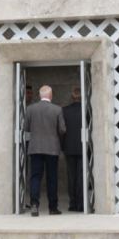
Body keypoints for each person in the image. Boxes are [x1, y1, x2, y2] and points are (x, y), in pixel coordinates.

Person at [24, 84, 65, 216]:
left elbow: (26, 128)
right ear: (50, 95)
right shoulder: (57, 109)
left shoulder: (30, 109)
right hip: (52, 148)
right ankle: (53, 208)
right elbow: (62, 129)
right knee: (52, 178)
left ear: (40, 95)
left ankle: (34, 205)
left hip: (35, 147)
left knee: (35, 177)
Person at [62, 86, 84, 212]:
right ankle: (81, 204)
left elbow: (62, 130)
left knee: (71, 177)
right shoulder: (86, 109)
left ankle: (73, 203)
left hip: (69, 148)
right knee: (81, 176)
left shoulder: (64, 110)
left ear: (72, 97)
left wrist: (62, 146)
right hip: (82, 147)